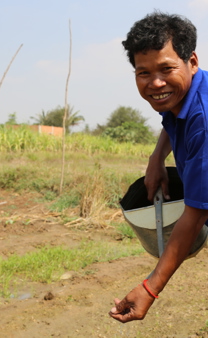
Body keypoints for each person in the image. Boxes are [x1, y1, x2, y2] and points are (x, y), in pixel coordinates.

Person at [109, 11, 208, 323]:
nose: (155, 83)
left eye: (166, 69)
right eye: (143, 73)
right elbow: (173, 117)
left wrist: (149, 288)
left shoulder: (204, 123)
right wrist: (157, 157)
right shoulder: (186, 94)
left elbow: (195, 216)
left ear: (191, 61)